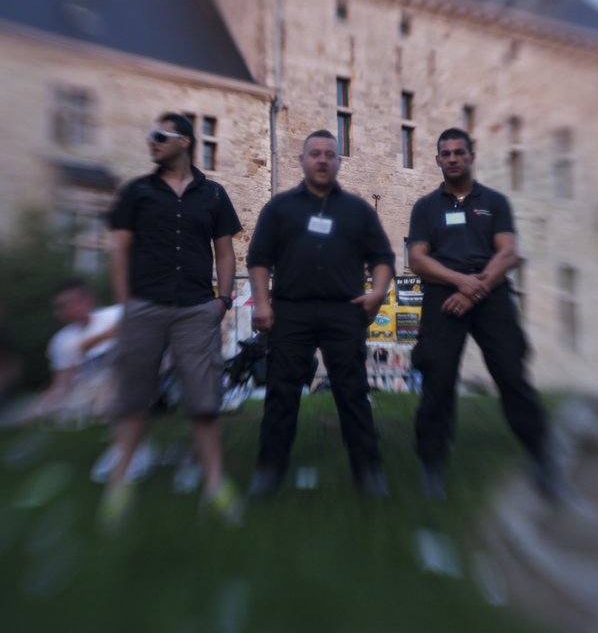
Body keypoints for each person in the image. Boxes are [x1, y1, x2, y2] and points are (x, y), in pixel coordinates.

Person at [100, 112, 243, 530]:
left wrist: (223, 301)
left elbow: (225, 253)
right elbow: (120, 250)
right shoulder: (138, 191)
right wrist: (126, 305)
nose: (152, 141)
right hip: (145, 306)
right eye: (151, 135)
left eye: (159, 135)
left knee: (204, 401)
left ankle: (215, 484)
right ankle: (118, 484)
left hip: (197, 309)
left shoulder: (213, 194)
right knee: (134, 398)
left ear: (184, 141)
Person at [407, 128, 562, 502]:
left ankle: (542, 457)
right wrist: (460, 282)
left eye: (459, 152)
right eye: (446, 153)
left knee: (511, 375)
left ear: (472, 156)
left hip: (490, 293)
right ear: (438, 160)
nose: (453, 158)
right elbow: (417, 259)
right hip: (444, 295)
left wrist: (474, 290)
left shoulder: (494, 202)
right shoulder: (426, 207)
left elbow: (507, 253)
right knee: (438, 379)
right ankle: (432, 464)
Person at [246, 129, 395, 498]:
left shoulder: (358, 210)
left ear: (339, 162)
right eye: (315, 153)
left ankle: (367, 469)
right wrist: (262, 303)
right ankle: (269, 469)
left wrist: (377, 293)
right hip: (290, 311)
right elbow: (259, 258)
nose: (323, 160)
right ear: (302, 160)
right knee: (281, 391)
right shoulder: (279, 208)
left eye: (330, 154)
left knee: (353, 391)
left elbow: (382, 257)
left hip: (344, 312)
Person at [30, 279, 122, 423]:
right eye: (59, 307)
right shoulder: (61, 340)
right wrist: (48, 402)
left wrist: (91, 342)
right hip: (88, 387)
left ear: (87, 299)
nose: (61, 312)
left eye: (68, 304)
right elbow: (62, 381)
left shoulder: (115, 314)